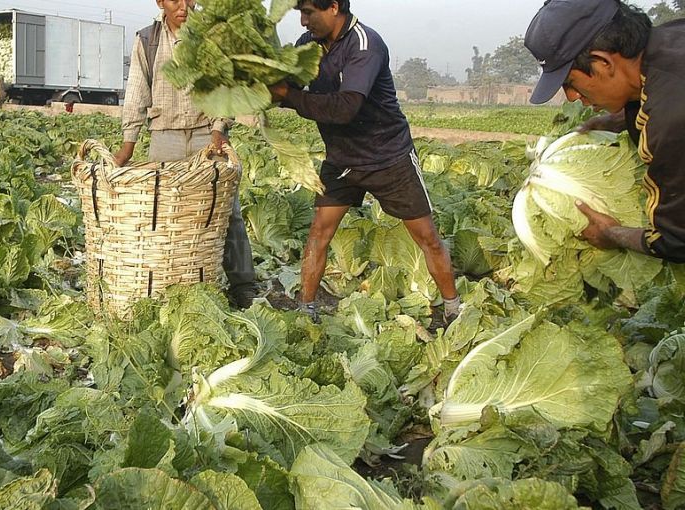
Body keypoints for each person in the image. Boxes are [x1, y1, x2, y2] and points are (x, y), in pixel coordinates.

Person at [524, 1, 685, 507]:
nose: (576, 99)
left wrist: (613, 235)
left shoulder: (677, 113)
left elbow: (684, 242)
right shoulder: (684, 37)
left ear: (604, 61)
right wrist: (621, 118)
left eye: (575, 85)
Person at [269, 0, 461, 324]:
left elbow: (345, 108)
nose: (302, 22)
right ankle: (307, 310)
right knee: (319, 232)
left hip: (388, 157)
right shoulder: (308, 46)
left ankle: (454, 308)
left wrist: (287, 95)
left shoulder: (365, 44)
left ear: (333, 7)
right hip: (342, 159)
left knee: (426, 236)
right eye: (299, 13)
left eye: (308, 13)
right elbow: (285, 87)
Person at [116, 0, 256, 308]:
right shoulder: (147, 39)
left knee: (225, 211)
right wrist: (128, 142)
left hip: (208, 135)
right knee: (160, 213)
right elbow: (137, 90)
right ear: (160, 2)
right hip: (165, 136)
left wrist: (220, 127)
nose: (183, 6)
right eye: (175, 0)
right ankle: (166, 284)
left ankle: (243, 284)